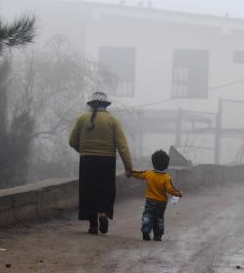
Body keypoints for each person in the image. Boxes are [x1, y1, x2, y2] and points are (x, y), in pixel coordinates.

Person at [68, 91, 133, 235]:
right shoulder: (112, 120)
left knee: (89, 191)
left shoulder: (81, 118)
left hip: (87, 161)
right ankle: (103, 213)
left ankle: (93, 225)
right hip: (107, 161)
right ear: (106, 105)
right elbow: (122, 146)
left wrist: (84, 150)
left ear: (91, 104)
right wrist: (128, 167)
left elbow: (72, 141)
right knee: (106, 189)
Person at [128, 149, 183, 241]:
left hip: (150, 200)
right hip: (161, 203)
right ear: (166, 164)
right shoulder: (166, 177)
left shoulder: (149, 173)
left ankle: (146, 230)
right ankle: (158, 235)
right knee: (159, 218)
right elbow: (170, 189)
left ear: (153, 163)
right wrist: (178, 193)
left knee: (148, 215)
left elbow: (139, 174)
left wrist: (131, 172)